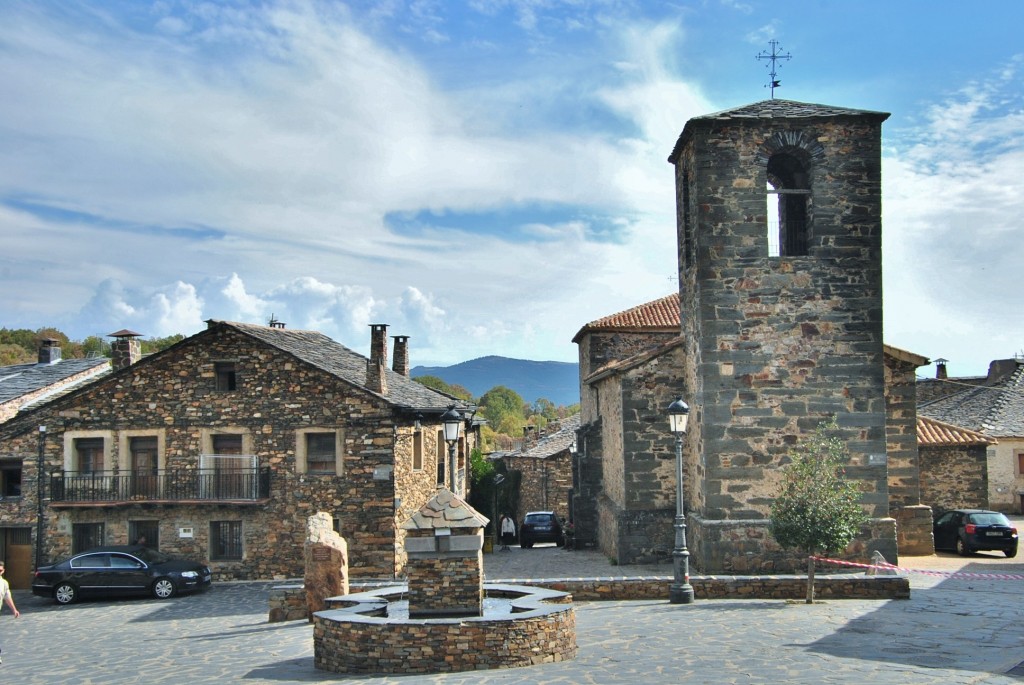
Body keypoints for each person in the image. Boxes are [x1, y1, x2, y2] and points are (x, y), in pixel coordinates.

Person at [0, 560, 21, 665]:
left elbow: (7, 597)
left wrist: (14, 610)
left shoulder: (4, 583)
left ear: (3, 571)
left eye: (0, 570)